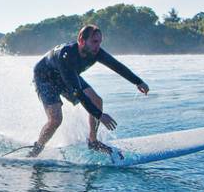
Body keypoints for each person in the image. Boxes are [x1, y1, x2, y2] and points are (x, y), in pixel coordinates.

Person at [28, 24, 149, 157]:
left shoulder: (96, 52)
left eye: (100, 42)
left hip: (68, 75)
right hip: (45, 77)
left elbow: (116, 66)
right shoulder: (66, 55)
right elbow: (78, 92)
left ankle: (93, 141)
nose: (98, 46)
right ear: (81, 40)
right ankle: (36, 149)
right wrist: (99, 115)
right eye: (94, 41)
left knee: (97, 100)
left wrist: (138, 82)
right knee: (56, 119)